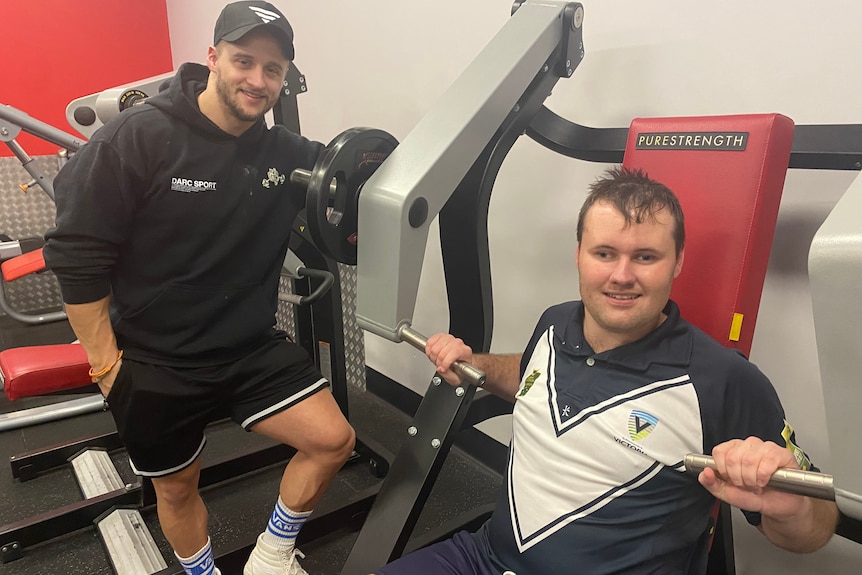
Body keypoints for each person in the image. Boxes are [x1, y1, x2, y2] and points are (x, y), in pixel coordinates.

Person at [375, 167, 840, 575]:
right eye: (604, 253)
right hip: (482, 560)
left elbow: (815, 530)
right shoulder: (555, 324)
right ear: (578, 254)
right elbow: (532, 376)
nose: (621, 275)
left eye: (645, 257)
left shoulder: (723, 381)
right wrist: (475, 364)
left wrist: (793, 507)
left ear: (677, 261)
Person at [42, 2, 355, 575]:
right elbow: (76, 255)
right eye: (243, 61)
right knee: (179, 488)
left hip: (247, 345)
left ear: (284, 77)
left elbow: (354, 177)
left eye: (273, 69)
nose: (257, 80)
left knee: (333, 440)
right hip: (157, 356)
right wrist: (105, 366)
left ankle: (272, 554)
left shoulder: (285, 154)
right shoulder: (138, 138)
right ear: (211, 58)